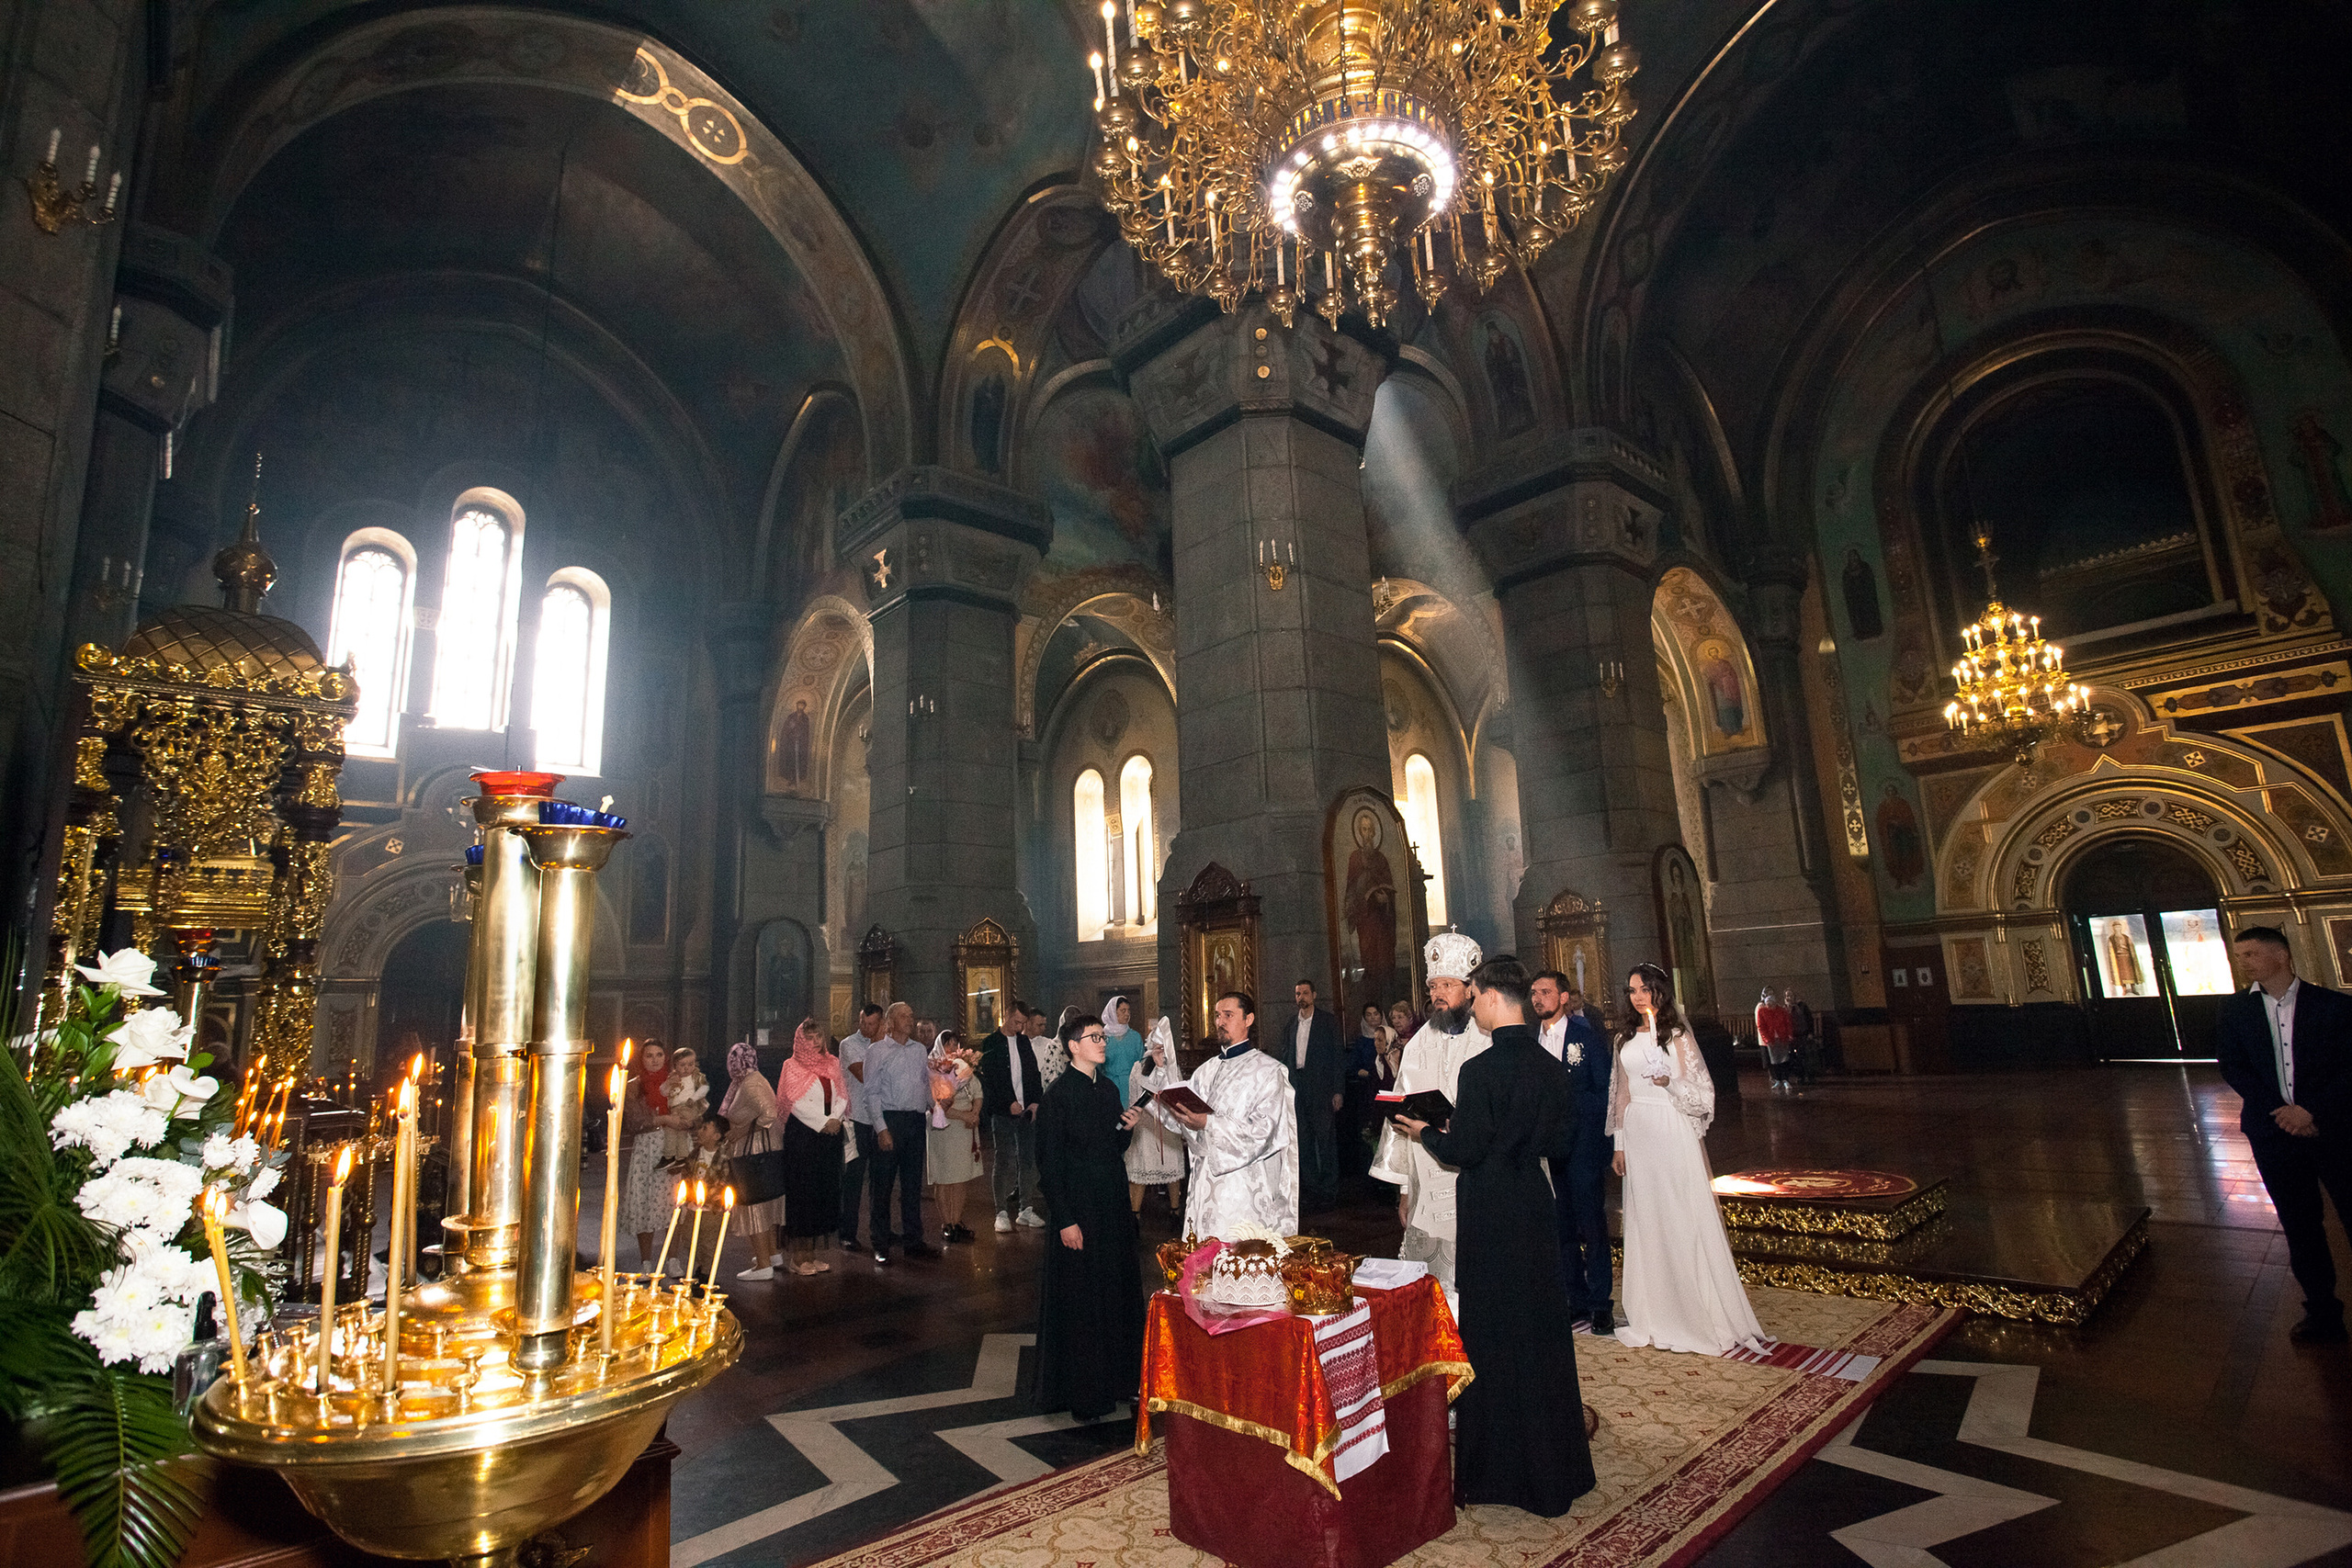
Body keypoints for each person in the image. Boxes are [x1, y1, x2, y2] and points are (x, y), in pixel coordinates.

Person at [1396, 954, 1595, 1515]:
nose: (1475, 1006)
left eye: (1476, 995)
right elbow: (1559, 1140)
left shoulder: (1479, 1071)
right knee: (1539, 1326)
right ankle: (1560, 1469)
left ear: (1488, 998)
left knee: (1494, 1330)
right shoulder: (1548, 1065)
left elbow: (1466, 1151)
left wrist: (1427, 1131)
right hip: (1532, 1201)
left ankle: (1499, 1474)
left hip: (1488, 1205)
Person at [1611, 963, 1765, 1355]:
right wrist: (1619, 1144)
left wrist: (1672, 1083)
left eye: (1644, 988)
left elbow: (1704, 1094)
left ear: (1660, 991)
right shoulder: (1623, 1039)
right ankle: (1654, 1313)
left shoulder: (1677, 1035)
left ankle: (1696, 1313)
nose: (1638, 996)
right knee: (1647, 1220)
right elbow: (1622, 1095)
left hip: (1670, 1126)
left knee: (1680, 1215)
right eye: (1632, 990)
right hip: (1639, 1131)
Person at [2218, 927, 2352, 1343]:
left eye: (2251, 954)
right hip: (2274, 1132)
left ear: (2282, 956)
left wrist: (2311, 1111)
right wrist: (2284, 1113)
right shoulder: (2235, 1011)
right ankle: (2323, 1314)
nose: (2243, 962)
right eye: (2240, 955)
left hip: (2334, 1129)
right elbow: (2234, 1068)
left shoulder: (2335, 1007)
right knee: (2300, 1224)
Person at [1031, 1014, 1147, 1421]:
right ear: (1072, 1047)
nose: (1102, 1042)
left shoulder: (1109, 1089)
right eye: (1094, 1037)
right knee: (1082, 1301)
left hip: (1111, 1204)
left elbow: (1110, 1146)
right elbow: (1048, 1164)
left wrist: (1126, 1129)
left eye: (1103, 1036)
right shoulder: (1058, 1096)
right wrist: (1064, 1219)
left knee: (1114, 1291)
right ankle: (1084, 1393)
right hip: (1077, 1208)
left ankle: (1120, 1381)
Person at [1371, 933, 1490, 1296]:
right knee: (1430, 1285)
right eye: (1433, 986)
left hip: (1476, 1178)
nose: (1437, 993)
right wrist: (1404, 1191)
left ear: (1469, 990)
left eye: (1447, 985)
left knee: (1478, 1275)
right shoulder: (1419, 1043)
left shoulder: (1488, 1040)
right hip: (1426, 1177)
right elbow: (1400, 1116)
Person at [1140, 990, 1299, 1240]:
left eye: (1228, 1015)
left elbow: (1264, 1133)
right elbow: (1177, 1117)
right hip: (1205, 1185)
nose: (1220, 1022)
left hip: (1243, 1188)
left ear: (1248, 1020)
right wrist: (1162, 1071)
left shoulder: (1270, 1071)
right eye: (1217, 1016)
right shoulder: (1206, 1071)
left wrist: (1208, 1123)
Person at [1532, 969, 1614, 1335]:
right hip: (1548, 1149)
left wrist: (1571, 1112)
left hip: (1582, 1145)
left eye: (1545, 992)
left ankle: (1600, 1303)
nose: (1537, 999)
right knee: (1560, 1226)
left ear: (1564, 997)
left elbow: (1603, 1091)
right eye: (1534, 993)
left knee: (1591, 1224)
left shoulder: (1585, 1036)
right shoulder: (1529, 1040)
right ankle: (1574, 1297)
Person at [865, 1001, 937, 1263]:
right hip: (890, 1121)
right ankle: (880, 1242)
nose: (910, 1019)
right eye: (904, 1016)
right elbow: (871, 1092)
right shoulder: (877, 1051)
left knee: (911, 1186)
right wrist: (881, 1129)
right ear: (891, 1022)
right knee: (882, 1186)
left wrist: (937, 1103)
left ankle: (913, 1240)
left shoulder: (919, 1050)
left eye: (911, 1015)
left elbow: (923, 1084)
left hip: (915, 1121)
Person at [776, 1020, 845, 1276]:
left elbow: (843, 1094)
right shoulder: (790, 1066)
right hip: (803, 1138)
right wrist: (821, 1123)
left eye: (818, 1036)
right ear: (800, 1041)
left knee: (823, 1193)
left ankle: (812, 1255)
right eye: (810, 1038)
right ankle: (798, 1257)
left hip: (829, 1137)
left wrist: (836, 1119)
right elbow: (792, 1102)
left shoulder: (833, 1063)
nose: (815, 1042)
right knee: (802, 1194)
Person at [979, 1001, 1047, 1233]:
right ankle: (1000, 1212)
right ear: (1005, 1016)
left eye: (1023, 1023)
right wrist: (1008, 1103)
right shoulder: (990, 1043)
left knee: (1028, 1159)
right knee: (1004, 1159)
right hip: (1003, 1112)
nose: (1020, 1027)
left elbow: (1032, 1074)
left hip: (1027, 1111)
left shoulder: (1023, 1042)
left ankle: (1025, 1209)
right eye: (1017, 1022)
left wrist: (1036, 1101)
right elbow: (990, 1081)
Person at [620, 1040, 686, 1268]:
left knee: (673, 1201)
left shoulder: (676, 1081)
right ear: (642, 1059)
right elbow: (634, 1121)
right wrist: (664, 1119)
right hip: (646, 1148)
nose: (655, 1060)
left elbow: (689, 1110)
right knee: (645, 1203)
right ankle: (646, 1261)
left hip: (672, 1144)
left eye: (659, 1055)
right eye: (649, 1055)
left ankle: (673, 1258)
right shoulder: (632, 1086)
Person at [720, 1039, 783, 1280]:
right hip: (759, 1148)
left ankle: (763, 1265)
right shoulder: (750, 1080)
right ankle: (770, 1254)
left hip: (754, 1151)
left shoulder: (751, 1084)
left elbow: (769, 1112)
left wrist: (741, 1131)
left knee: (753, 1205)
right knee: (764, 1203)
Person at [1285, 979, 1344, 1209]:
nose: (1301, 997)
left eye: (1305, 993)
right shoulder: (1292, 1024)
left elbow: (1338, 1057)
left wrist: (1338, 1090)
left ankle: (1329, 1190)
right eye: (1298, 993)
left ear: (1314, 995)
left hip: (1322, 1088)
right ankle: (1311, 1189)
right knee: (1304, 1141)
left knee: (1326, 1140)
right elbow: (1286, 1055)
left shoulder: (1327, 1022)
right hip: (1298, 1087)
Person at [1125, 1015, 1185, 1224]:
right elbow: (1141, 1096)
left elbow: (1174, 1091)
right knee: (1141, 1169)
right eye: (1157, 1047)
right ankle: (1134, 1214)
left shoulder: (1172, 1068)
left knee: (1172, 1166)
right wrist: (1158, 1069)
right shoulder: (1137, 1068)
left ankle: (1175, 1210)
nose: (1160, 1051)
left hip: (1167, 1124)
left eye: (1163, 1047)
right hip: (1145, 1125)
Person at [927, 1028, 985, 1245]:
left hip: (966, 1125)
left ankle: (957, 1220)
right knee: (945, 1178)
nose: (952, 1047)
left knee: (961, 1176)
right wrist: (964, 1116)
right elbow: (937, 1103)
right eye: (948, 1043)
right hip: (946, 1125)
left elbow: (977, 1091)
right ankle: (947, 1223)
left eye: (954, 1043)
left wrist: (975, 1113)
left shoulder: (964, 1066)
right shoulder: (933, 1067)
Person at [838, 1002, 884, 1256]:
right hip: (856, 1118)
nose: (865, 1028)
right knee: (853, 1178)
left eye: (871, 1024)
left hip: (880, 1120)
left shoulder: (885, 1044)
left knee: (880, 1178)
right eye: (863, 1023)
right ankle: (847, 1233)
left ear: (880, 1023)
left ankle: (880, 1230)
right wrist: (879, 1047)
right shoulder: (849, 1044)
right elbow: (866, 1076)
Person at [1343, 1004, 1389, 1178]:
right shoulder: (1361, 1041)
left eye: (1376, 1014)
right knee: (1369, 1132)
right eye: (1368, 1015)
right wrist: (1360, 1071)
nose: (1372, 1018)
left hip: (1385, 1089)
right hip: (1367, 1092)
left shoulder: (1391, 1037)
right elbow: (1352, 1066)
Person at [1101, 995, 1146, 1099]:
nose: (1127, 1014)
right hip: (1108, 1085)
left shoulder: (1135, 1037)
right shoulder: (1103, 1037)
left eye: (1128, 1011)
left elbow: (1142, 1063)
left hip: (1131, 1085)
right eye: (1123, 1010)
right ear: (1113, 1012)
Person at [1755, 987, 1795, 1093]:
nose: (1769, 1006)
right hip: (1771, 1039)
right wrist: (1767, 1040)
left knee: (1784, 1059)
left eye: (1771, 1004)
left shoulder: (1781, 1011)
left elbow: (1787, 1023)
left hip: (1782, 1038)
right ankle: (1777, 1080)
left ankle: (1786, 1079)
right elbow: (1761, 1027)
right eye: (1768, 1005)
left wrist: (1789, 1035)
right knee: (1774, 1060)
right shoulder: (1762, 1011)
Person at [1032, 1006, 1069, 1092]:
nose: (1043, 1028)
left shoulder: (1049, 1044)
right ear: (1028, 1023)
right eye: (1039, 1025)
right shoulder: (1021, 1044)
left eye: (1044, 1025)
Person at [1787, 988, 1819, 1087]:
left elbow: (1809, 1020)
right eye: (1787, 996)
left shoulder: (1802, 1006)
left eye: (1790, 995)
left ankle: (1810, 1076)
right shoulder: (1785, 1009)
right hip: (1793, 1037)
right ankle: (1800, 1076)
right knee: (1796, 1059)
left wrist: (1810, 1033)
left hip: (1803, 1035)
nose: (1789, 997)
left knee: (1807, 1057)